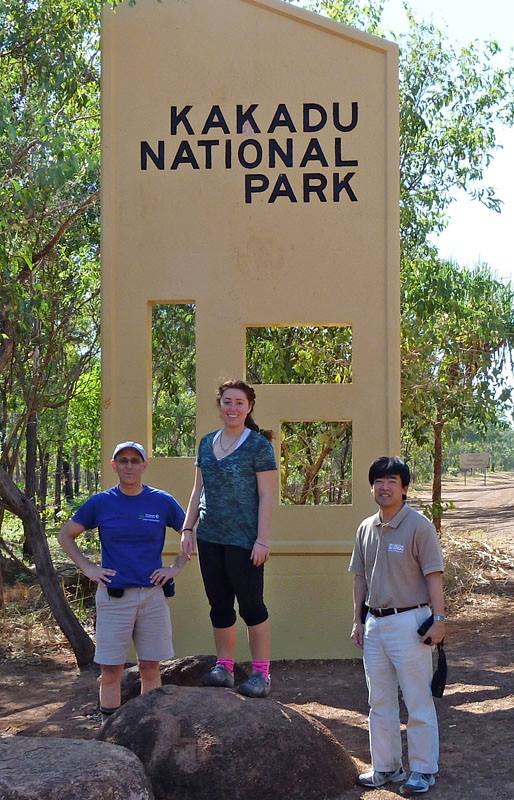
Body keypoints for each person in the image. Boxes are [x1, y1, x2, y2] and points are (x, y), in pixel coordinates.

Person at [58, 441, 188, 723]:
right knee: (111, 671)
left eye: (135, 460)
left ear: (144, 465)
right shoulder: (102, 502)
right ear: (114, 465)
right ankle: (109, 730)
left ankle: (148, 727)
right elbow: (65, 534)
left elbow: (191, 533)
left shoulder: (161, 501)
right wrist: (88, 568)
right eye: (123, 461)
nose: (129, 466)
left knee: (151, 668)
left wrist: (175, 567)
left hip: (152, 596)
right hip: (114, 598)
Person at [349, 456, 445, 796]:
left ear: (404, 488)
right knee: (380, 701)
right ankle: (387, 766)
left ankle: (423, 769)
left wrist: (440, 619)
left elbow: (434, 575)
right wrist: (357, 620)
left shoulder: (419, 526)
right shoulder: (365, 528)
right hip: (375, 623)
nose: (384, 486)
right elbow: (360, 578)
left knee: (417, 699)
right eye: (378, 480)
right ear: (372, 486)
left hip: (411, 622)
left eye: (392, 480)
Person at [181, 379, 277, 698]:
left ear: (249, 406)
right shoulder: (206, 443)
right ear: (219, 405)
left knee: (251, 606)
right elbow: (198, 491)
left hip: (245, 541)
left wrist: (262, 540)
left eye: (238, 402)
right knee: (219, 606)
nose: (232, 407)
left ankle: (261, 674)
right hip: (210, 538)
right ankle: (225, 668)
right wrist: (187, 529)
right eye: (227, 401)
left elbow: (266, 496)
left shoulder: (259, 445)